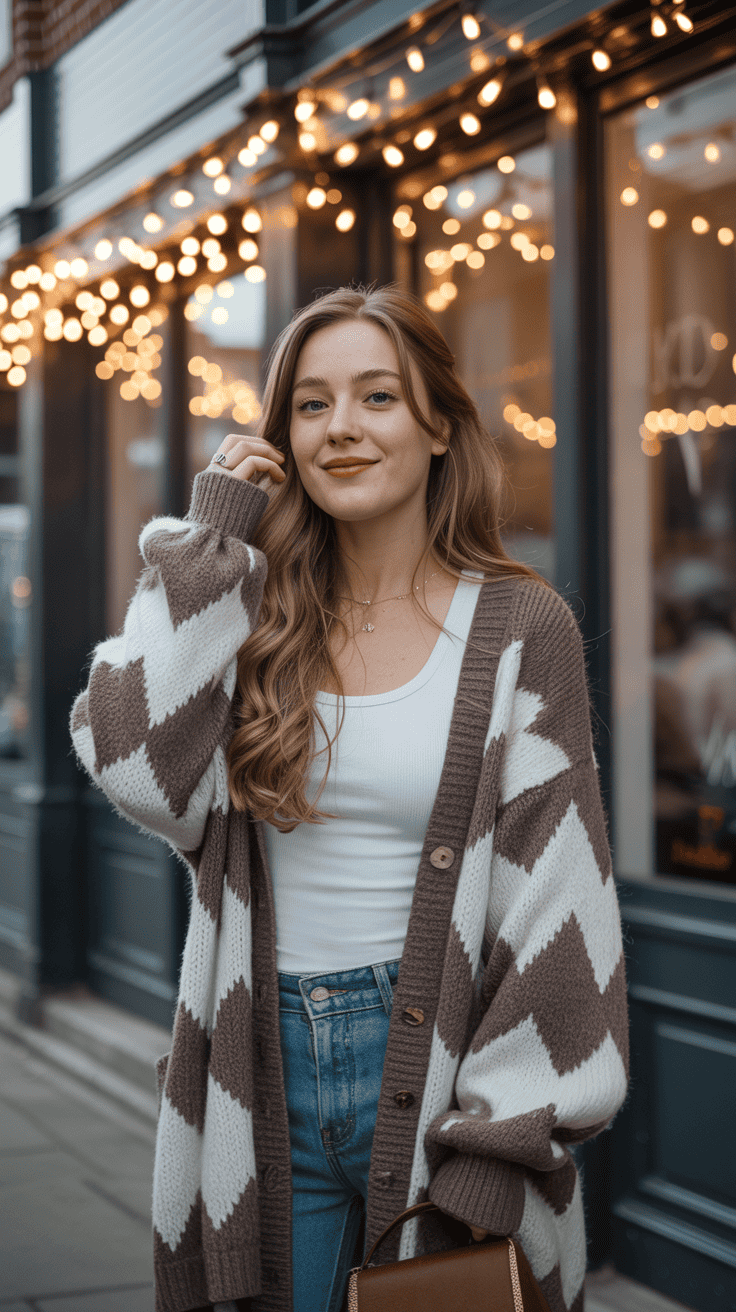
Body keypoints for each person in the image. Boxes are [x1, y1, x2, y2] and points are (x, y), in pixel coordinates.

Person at [70, 285, 629, 1312]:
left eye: (377, 396)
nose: (342, 429)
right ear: (279, 433)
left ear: (438, 426)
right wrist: (209, 543)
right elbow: (130, 761)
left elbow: (562, 904)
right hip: (257, 1061)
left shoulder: (520, 626)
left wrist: (498, 1147)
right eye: (312, 404)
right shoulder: (250, 608)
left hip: (441, 1066)